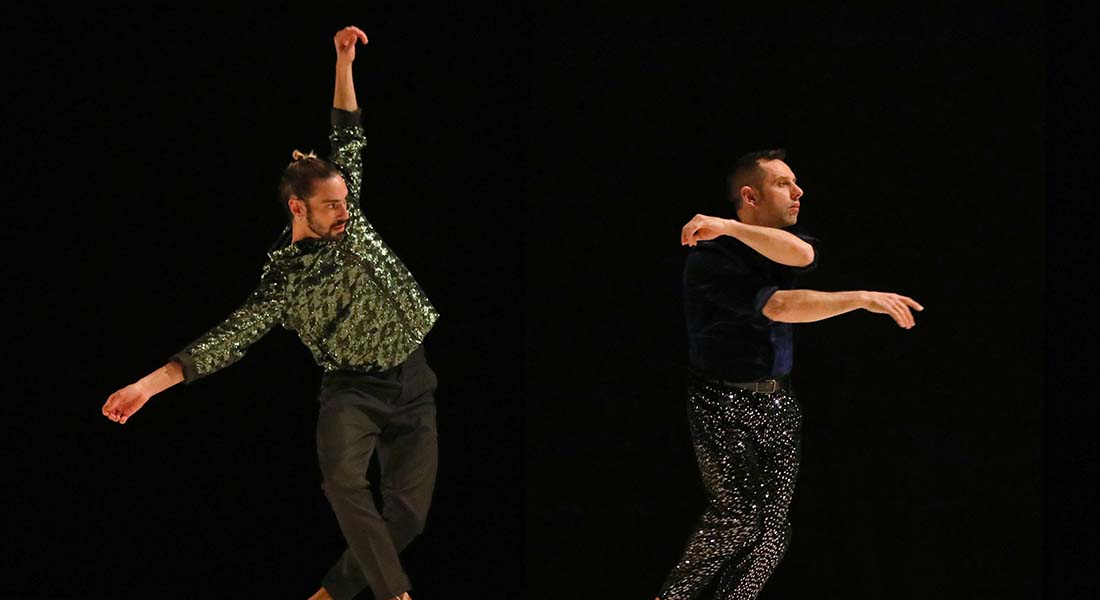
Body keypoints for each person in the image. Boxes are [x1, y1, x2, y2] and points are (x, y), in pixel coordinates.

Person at [102, 26, 437, 600]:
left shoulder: (347, 208)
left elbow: (349, 134)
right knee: (341, 483)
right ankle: (394, 595)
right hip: (352, 390)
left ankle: (328, 596)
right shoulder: (283, 277)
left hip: (412, 377)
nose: (344, 213)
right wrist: (148, 385)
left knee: (406, 517)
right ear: (296, 208)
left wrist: (342, 61)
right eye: (330, 206)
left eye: (345, 201)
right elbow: (230, 337)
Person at [657, 149, 923, 600]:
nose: (798, 192)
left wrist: (731, 223)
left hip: (778, 399)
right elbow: (778, 306)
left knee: (773, 532)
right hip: (723, 402)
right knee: (738, 516)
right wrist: (860, 298)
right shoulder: (710, 255)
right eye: (783, 184)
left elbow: (802, 255)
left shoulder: (775, 243)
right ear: (750, 194)